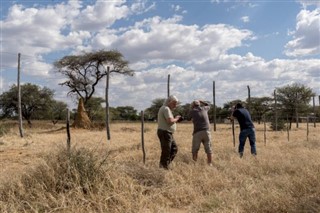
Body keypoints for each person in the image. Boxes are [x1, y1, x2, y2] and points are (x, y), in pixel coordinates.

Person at [157, 95, 181, 169]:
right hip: (165, 133)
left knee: (173, 149)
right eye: (174, 103)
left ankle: (165, 165)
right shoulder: (166, 109)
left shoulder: (165, 108)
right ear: (169, 102)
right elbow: (170, 121)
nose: (175, 105)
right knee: (167, 151)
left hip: (167, 133)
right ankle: (163, 167)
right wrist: (177, 118)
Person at [189, 100, 213, 166]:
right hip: (207, 131)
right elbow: (208, 104)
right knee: (208, 148)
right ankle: (209, 163)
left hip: (197, 132)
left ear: (193, 105)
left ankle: (195, 163)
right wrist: (201, 101)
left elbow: (189, 117)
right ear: (199, 104)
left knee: (195, 149)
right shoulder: (205, 109)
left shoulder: (192, 111)